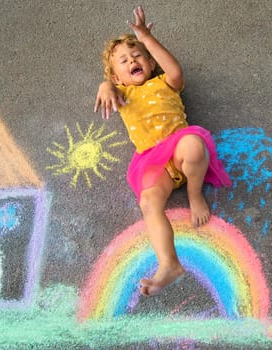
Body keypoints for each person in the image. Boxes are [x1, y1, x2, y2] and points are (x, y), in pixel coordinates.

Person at [94, 6, 231, 296]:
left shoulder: (164, 82)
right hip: (153, 161)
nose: (132, 60)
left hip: (179, 147)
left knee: (194, 145)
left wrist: (145, 37)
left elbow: (175, 70)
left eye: (137, 55)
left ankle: (195, 194)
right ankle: (169, 264)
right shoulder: (122, 93)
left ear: (150, 62)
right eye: (123, 61)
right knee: (148, 203)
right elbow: (109, 87)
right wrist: (104, 85)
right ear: (118, 78)